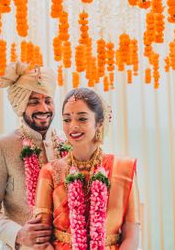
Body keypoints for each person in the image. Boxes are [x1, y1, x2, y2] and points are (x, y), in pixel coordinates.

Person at [34, 87, 140, 249]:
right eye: (67, 119)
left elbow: (131, 234)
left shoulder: (124, 169)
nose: (73, 126)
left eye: (82, 119)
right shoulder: (50, 171)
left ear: (99, 123)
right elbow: (40, 238)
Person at [0, 62, 65, 250]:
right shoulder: (1, 146)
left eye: (48, 100)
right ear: (21, 106)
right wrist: (18, 234)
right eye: (34, 101)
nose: (44, 108)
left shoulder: (68, 143)